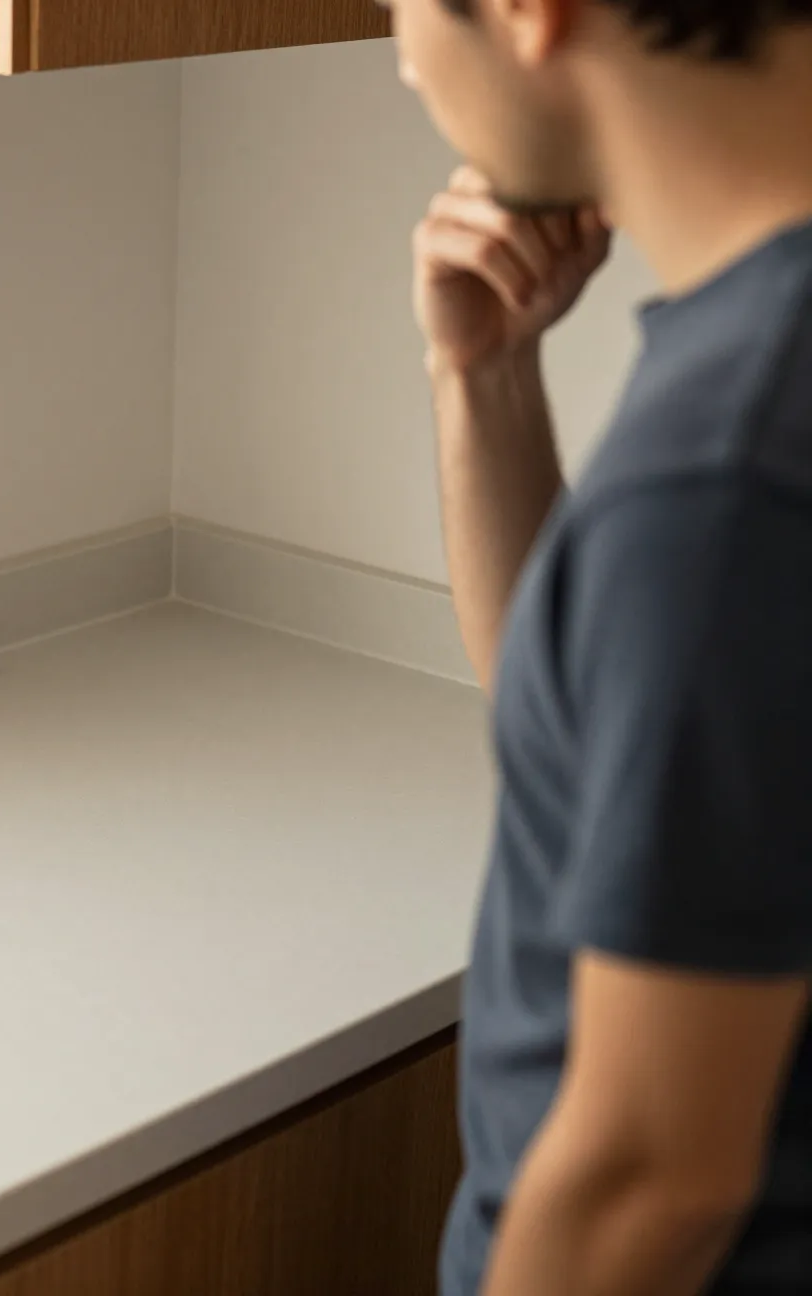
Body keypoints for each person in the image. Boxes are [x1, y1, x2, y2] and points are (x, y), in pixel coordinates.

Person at [386, 0, 812, 1292]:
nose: (404, 59)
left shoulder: (723, 479)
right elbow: (601, 726)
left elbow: (652, 1182)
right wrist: (484, 376)